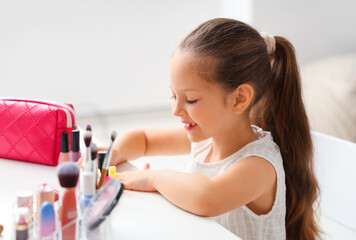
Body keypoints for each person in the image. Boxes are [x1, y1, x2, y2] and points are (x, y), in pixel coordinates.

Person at [109, 18, 320, 239]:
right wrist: (113, 154)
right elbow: (144, 140)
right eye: (173, 96)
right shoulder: (205, 137)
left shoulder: (260, 165)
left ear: (239, 99)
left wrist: (152, 178)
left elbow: (206, 198)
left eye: (190, 100)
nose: (176, 110)